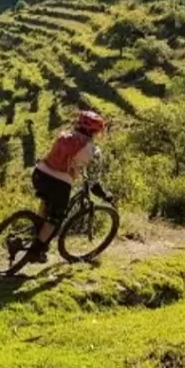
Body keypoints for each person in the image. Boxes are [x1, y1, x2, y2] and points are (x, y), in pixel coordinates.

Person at [29, 110, 113, 263]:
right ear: (94, 132)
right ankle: (35, 251)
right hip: (59, 184)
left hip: (39, 174)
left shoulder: (63, 136)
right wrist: (105, 194)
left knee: (47, 202)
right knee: (56, 218)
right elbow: (93, 183)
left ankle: (36, 233)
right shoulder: (94, 151)